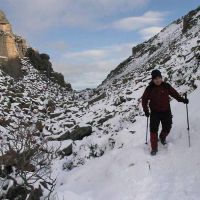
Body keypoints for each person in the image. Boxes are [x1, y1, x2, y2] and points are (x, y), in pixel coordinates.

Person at [142, 69, 189, 156]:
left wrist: (183, 100)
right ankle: (154, 148)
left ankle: (162, 137)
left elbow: (175, 94)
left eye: (159, 78)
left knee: (168, 127)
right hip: (155, 112)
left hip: (166, 111)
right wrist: (146, 110)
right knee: (153, 130)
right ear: (152, 79)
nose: (157, 80)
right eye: (155, 78)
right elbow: (144, 100)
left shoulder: (166, 86)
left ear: (161, 78)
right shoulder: (149, 88)